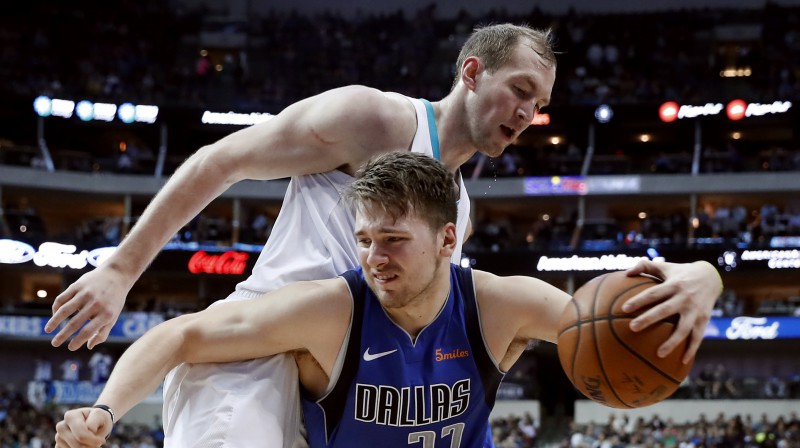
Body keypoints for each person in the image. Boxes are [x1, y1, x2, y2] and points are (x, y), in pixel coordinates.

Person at [46, 24, 719, 447]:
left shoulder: (458, 202)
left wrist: (703, 274)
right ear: (472, 72)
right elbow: (224, 159)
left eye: (539, 105)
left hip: (329, 385)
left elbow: (562, 313)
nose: (527, 113)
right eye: (520, 91)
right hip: (249, 358)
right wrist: (120, 271)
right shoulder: (373, 118)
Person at [53, 152, 724, 447]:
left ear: (447, 239)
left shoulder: (498, 304)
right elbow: (184, 336)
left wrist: (707, 275)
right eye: (366, 238)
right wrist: (105, 411)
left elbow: (613, 323)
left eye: (394, 240)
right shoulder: (330, 311)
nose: (374, 257)